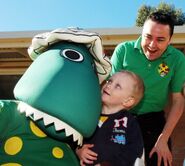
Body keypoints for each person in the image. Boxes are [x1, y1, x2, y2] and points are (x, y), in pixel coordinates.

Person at [110, 11, 185, 166]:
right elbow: (110, 94)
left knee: (161, 160)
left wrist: (163, 138)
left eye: (160, 40)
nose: (152, 45)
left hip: (154, 121)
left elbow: (178, 100)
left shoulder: (177, 59)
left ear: (170, 40)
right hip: (121, 117)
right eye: (148, 37)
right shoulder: (123, 51)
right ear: (142, 33)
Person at [76, 70, 145, 166]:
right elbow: (73, 136)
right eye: (110, 81)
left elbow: (134, 151)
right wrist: (78, 150)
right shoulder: (89, 112)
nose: (109, 85)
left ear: (128, 101)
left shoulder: (130, 123)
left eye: (117, 86)